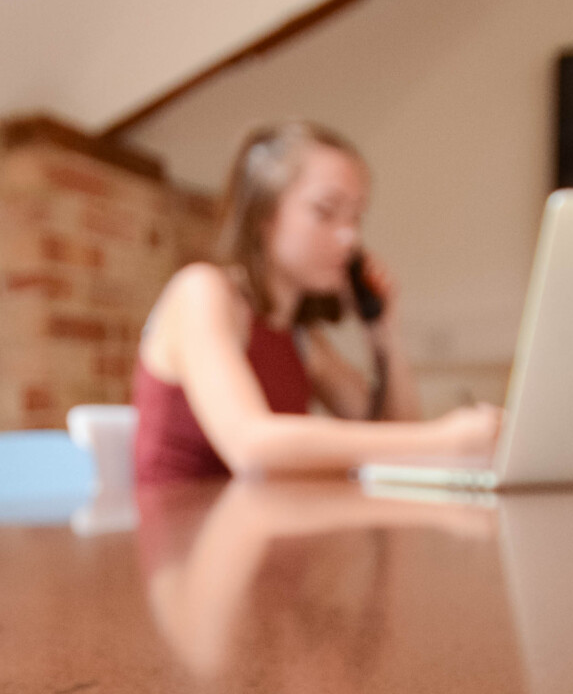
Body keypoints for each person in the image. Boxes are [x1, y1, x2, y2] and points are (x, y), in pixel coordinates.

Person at [132, 121, 500, 484]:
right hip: (179, 539)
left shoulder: (301, 338)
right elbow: (252, 448)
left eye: (357, 216)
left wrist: (384, 333)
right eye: (325, 211)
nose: (349, 238)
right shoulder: (202, 291)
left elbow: (398, 440)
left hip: (260, 533)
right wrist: (446, 439)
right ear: (263, 214)